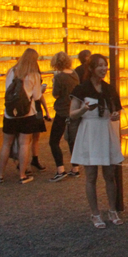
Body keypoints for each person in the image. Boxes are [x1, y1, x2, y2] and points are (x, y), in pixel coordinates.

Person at [70, 54, 124, 229]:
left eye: (105, 65)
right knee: (91, 175)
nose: (103, 69)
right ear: (91, 68)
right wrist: (84, 109)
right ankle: (95, 213)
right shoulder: (81, 89)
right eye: (100, 65)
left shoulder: (109, 89)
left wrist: (115, 116)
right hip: (89, 130)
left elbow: (116, 112)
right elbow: (71, 113)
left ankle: (112, 209)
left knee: (109, 174)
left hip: (105, 129)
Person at [0, 48, 43, 184]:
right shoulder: (34, 75)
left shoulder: (11, 71)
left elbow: (7, 90)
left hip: (10, 114)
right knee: (24, 144)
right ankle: (22, 175)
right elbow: (37, 96)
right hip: (27, 113)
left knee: (6, 144)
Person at [47, 51, 80, 182]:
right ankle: (75, 167)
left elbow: (56, 94)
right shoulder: (74, 74)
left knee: (54, 141)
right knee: (72, 139)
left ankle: (60, 169)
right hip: (73, 109)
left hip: (62, 111)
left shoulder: (59, 77)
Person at [28, 68, 51, 172]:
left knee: (36, 136)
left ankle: (35, 158)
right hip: (29, 107)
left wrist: (47, 111)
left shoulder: (35, 76)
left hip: (37, 108)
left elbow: (41, 97)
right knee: (27, 137)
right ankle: (24, 161)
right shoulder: (27, 79)